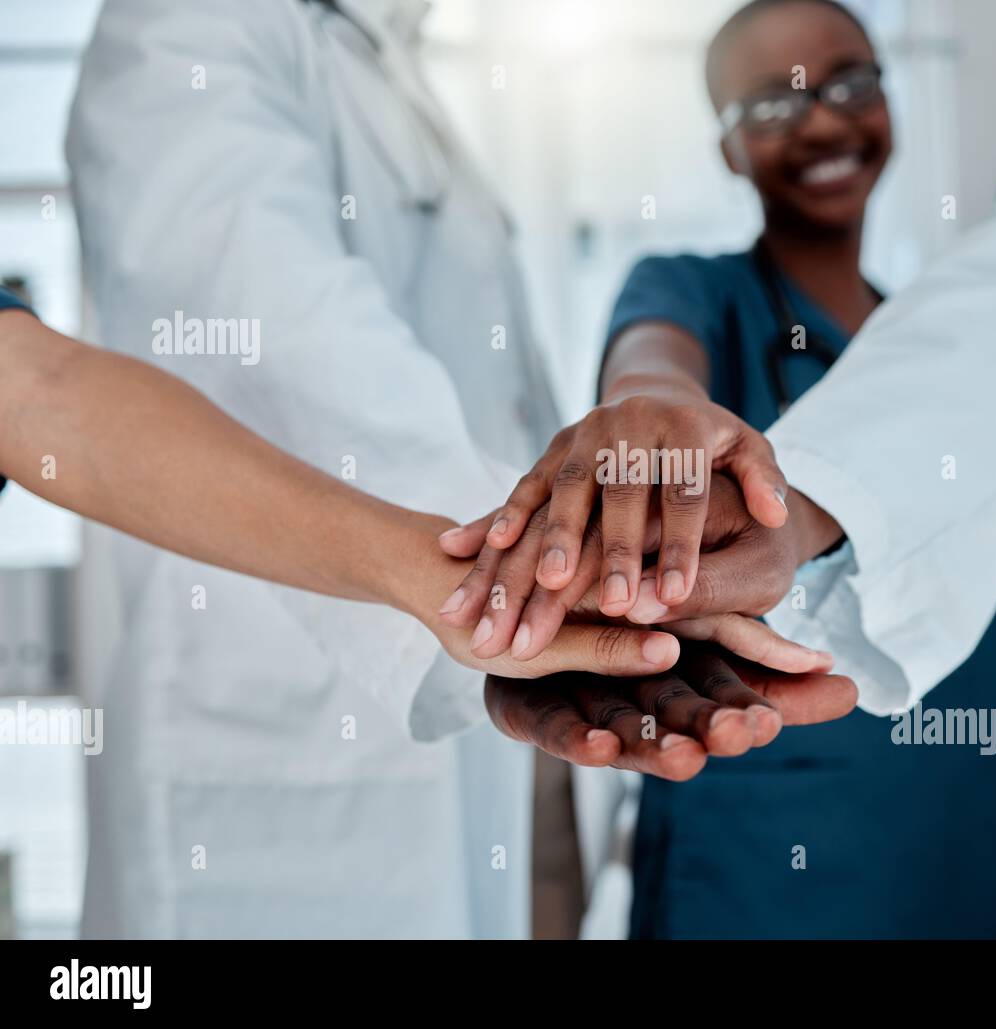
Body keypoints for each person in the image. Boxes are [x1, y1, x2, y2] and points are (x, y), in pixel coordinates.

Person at [460, 0, 996, 937]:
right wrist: (652, 410)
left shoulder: (938, 336)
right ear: (728, 150)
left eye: (851, 81)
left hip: (980, 789)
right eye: (773, 107)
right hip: (770, 799)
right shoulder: (695, 289)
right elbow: (653, 360)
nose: (823, 119)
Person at [60, 0, 852, 938]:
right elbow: (281, 350)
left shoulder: (384, 62)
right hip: (355, 716)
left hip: (519, 680)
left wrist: (571, 588)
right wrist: (572, 582)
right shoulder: (192, 27)